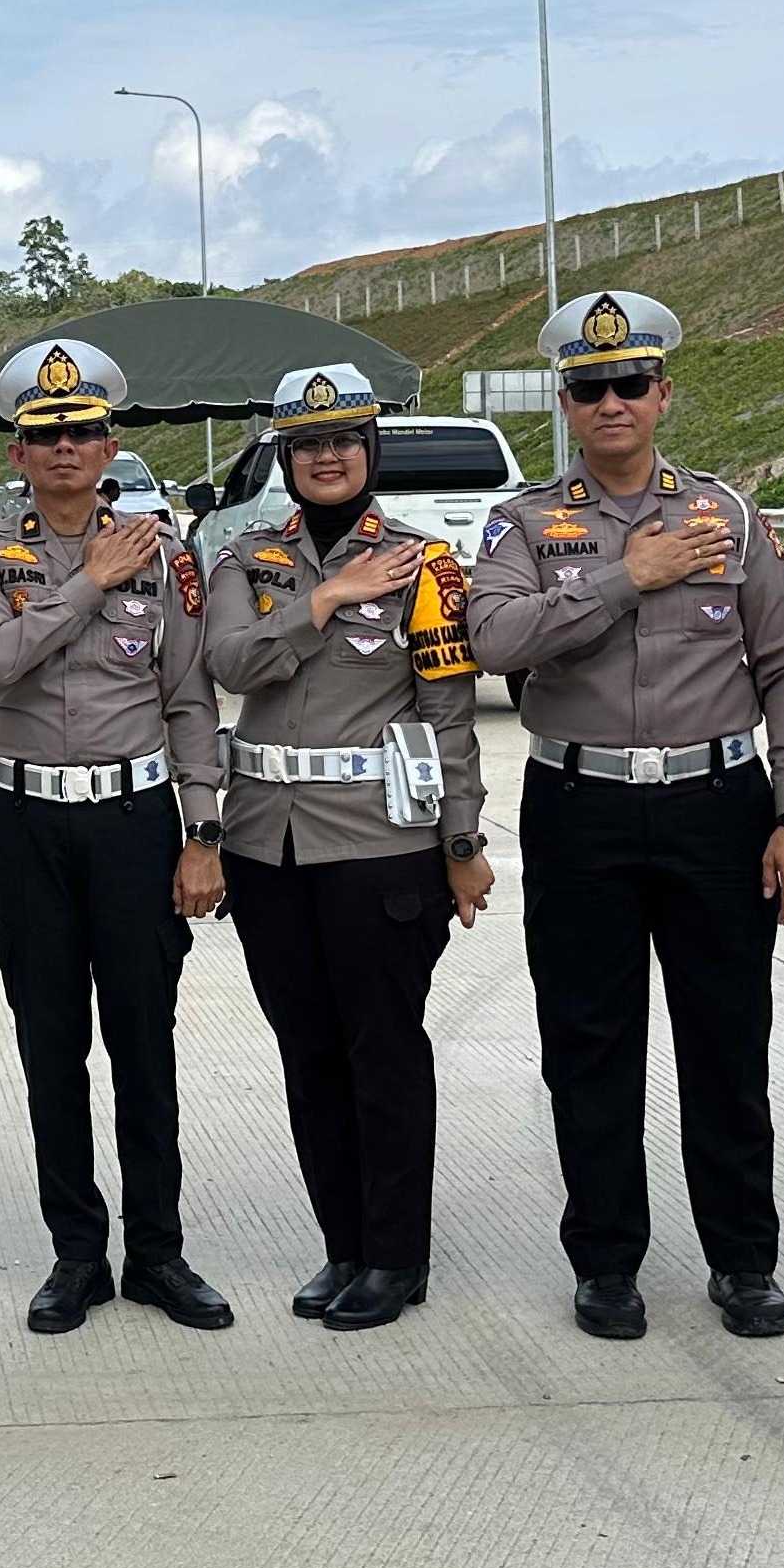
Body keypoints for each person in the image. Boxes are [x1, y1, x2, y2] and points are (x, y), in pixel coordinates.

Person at [464, 291, 784, 1343]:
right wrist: (629, 577)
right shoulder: (525, 523)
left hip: (721, 805)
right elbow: (496, 639)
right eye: (589, 387)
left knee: (726, 1041)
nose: (612, 401)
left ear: (664, 393)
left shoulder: (730, 515)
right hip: (581, 805)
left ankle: (743, 1261)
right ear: (567, 403)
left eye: (631, 383)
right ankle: (608, 1263)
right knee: (588, 1044)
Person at [201, 366, 491, 1332]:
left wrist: (463, 839)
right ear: (285, 457)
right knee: (310, 1052)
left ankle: (396, 1255)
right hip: (265, 844)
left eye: (347, 440)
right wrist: (327, 601)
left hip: (381, 846)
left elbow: (449, 713)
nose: (329, 455)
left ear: (371, 450)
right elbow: (230, 663)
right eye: (309, 442)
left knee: (386, 1051)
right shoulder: (247, 558)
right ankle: (343, 1245)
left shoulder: (426, 566)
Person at [0, 337, 233, 1335]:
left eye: (79, 431)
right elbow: (1, 659)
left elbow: (191, 702)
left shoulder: (168, 559)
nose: (64, 447)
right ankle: (78, 1254)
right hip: (28, 820)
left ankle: (158, 1250)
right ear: (19, 454)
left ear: (109, 444)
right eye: (43, 434)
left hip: (133, 821)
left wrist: (201, 831)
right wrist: (85, 582)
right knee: (51, 1042)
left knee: (143, 1043)